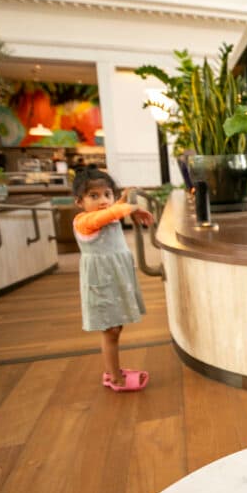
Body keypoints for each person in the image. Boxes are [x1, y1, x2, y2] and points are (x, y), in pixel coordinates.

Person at [73, 168, 155, 392]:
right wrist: (130, 207)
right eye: (94, 196)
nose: (103, 201)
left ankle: (113, 370)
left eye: (107, 194)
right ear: (79, 202)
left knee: (116, 328)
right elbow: (106, 215)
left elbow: (111, 211)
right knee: (110, 331)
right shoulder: (84, 221)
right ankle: (115, 378)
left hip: (114, 281)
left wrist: (124, 198)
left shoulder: (107, 212)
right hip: (102, 284)